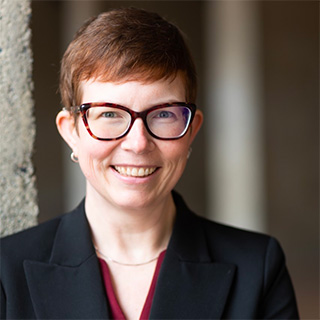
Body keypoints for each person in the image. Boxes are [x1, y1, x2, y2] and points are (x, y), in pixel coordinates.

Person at [0, 7, 299, 320]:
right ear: (71, 131)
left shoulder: (258, 268)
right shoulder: (6, 270)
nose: (138, 143)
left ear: (192, 130)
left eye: (164, 114)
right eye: (110, 115)